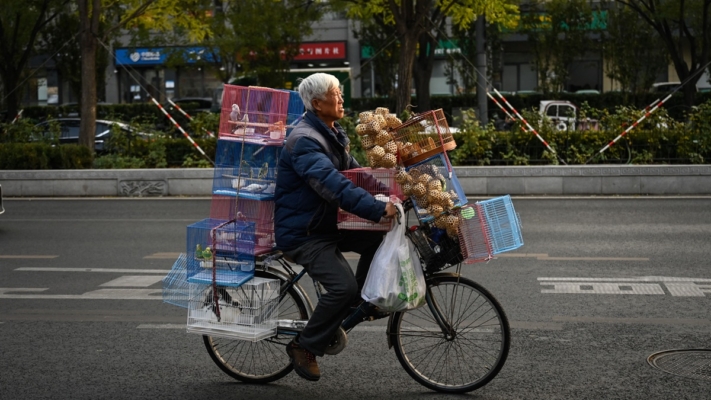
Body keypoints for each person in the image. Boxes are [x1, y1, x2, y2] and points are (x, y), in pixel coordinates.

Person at [274, 73, 397, 381]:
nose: (342, 98)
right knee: (343, 286)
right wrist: (375, 208)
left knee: (379, 239)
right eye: (336, 93)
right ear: (317, 103)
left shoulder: (331, 133)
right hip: (305, 232)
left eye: (340, 92)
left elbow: (354, 173)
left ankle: (354, 303)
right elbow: (334, 185)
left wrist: (389, 192)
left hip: (326, 223)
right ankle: (305, 346)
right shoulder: (304, 141)